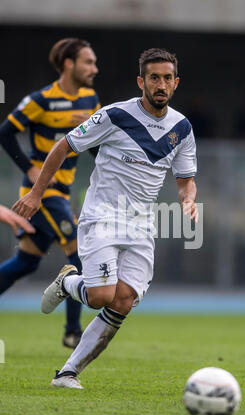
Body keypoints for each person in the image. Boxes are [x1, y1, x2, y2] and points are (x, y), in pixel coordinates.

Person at [12, 48, 198, 389]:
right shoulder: (114, 116)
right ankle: (69, 282)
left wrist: (188, 201)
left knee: (123, 300)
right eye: (154, 77)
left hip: (142, 225)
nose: (161, 84)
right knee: (99, 296)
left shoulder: (182, 128)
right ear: (141, 81)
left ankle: (67, 374)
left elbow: (185, 181)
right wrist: (36, 192)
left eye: (167, 78)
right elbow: (63, 146)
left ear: (176, 83)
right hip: (103, 217)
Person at [0, 38, 100, 348]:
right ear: (69, 64)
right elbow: (5, 132)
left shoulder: (90, 99)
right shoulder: (39, 100)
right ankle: (73, 332)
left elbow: (97, 147)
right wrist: (31, 170)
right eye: (88, 62)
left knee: (26, 262)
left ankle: (72, 328)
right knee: (79, 255)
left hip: (64, 191)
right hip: (41, 194)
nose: (95, 69)